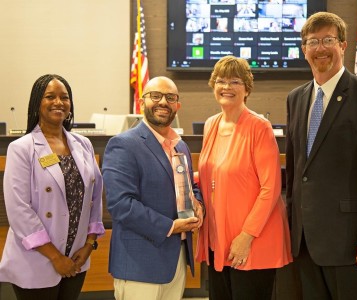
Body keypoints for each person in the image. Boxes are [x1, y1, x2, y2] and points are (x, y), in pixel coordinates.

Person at [285, 12, 357, 300]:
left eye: (328, 40)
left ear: (343, 45)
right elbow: (298, 169)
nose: (320, 48)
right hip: (306, 244)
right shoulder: (296, 98)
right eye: (312, 42)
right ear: (304, 49)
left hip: (354, 247)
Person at [0, 74, 105, 300]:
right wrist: (56, 258)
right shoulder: (22, 148)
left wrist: (89, 244)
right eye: (50, 97)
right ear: (37, 102)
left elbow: (94, 198)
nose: (59, 102)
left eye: (64, 97)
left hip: (77, 256)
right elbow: (19, 210)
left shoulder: (83, 144)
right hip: (38, 258)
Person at [196, 55, 292, 300]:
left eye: (235, 81)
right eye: (220, 81)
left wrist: (246, 236)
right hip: (219, 239)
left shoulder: (259, 127)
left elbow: (270, 188)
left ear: (247, 88)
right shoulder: (211, 124)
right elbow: (213, 174)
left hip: (251, 240)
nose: (226, 87)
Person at [102, 76, 204, 300]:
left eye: (170, 97)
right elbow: (121, 205)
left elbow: (188, 186)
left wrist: (198, 203)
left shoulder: (181, 145)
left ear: (178, 105)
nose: (163, 102)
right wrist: (171, 226)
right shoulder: (123, 145)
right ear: (141, 102)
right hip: (140, 264)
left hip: (176, 261)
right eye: (155, 96)